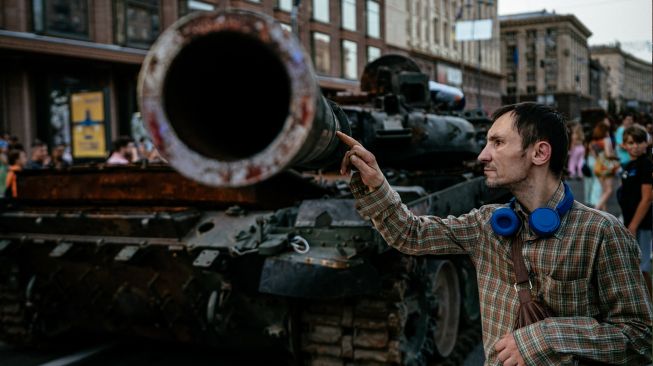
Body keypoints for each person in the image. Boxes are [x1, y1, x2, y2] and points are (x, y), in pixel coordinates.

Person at [337, 102, 652, 365]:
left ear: (539, 153)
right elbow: (409, 234)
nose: (482, 156)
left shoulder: (601, 233)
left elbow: (641, 338)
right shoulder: (486, 224)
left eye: (498, 143)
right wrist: (376, 184)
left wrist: (544, 336)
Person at [618, 125, 653, 296]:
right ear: (623, 145)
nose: (635, 146)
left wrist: (633, 226)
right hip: (630, 221)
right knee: (634, 266)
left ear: (646, 144)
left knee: (642, 268)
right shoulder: (628, 165)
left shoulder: (645, 164)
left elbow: (647, 198)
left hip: (641, 224)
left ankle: (649, 309)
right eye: (630, 143)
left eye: (639, 142)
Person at [590, 121, 617, 211]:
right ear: (605, 131)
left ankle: (604, 212)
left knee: (603, 190)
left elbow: (594, 156)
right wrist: (616, 157)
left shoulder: (593, 143)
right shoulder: (606, 140)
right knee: (609, 190)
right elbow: (608, 154)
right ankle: (596, 209)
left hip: (597, 166)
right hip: (607, 166)